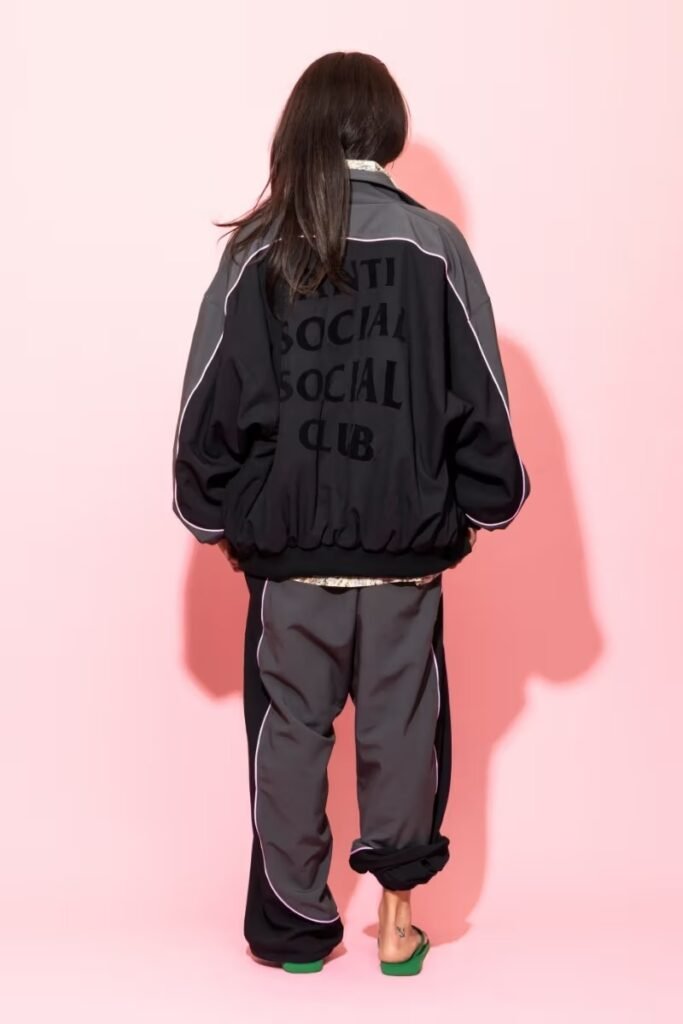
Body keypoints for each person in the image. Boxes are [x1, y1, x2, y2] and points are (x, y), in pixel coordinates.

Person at [171, 51, 530, 976]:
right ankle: (399, 925)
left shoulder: (257, 251)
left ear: (301, 128)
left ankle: (297, 930)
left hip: (290, 559)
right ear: (387, 130)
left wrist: (210, 513)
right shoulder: (436, 246)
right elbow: (478, 394)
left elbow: (211, 401)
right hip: (403, 553)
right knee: (402, 730)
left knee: (290, 735)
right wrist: (485, 502)